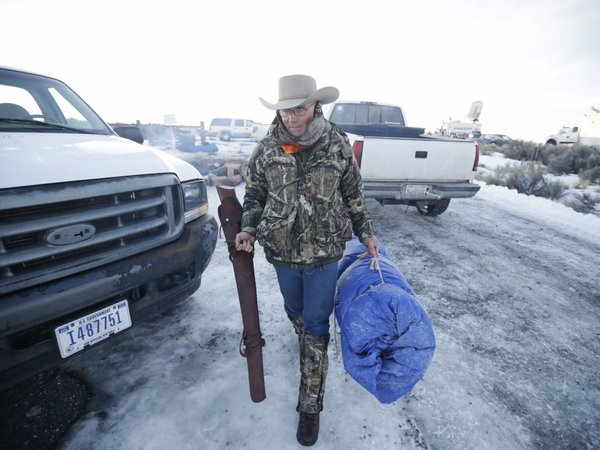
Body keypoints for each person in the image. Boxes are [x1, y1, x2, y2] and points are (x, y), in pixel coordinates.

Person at [235, 74, 379, 447]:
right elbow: (254, 194)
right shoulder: (267, 148)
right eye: (285, 110)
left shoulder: (337, 144)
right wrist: (249, 229)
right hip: (282, 253)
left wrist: (366, 232)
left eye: (299, 109)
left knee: (315, 324)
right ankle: (309, 347)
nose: (291, 117)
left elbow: (354, 194)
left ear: (316, 106)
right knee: (295, 311)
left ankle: (310, 404)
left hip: (324, 254)